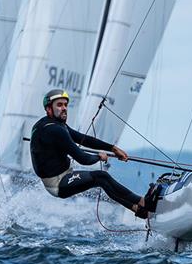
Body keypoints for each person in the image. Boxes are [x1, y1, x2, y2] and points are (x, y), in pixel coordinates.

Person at [30, 89, 159, 218]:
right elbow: (83, 159)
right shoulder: (54, 129)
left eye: (65, 104)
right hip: (58, 183)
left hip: (61, 177)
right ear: (48, 109)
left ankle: (138, 209)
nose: (64, 108)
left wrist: (112, 148)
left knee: (101, 180)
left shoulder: (54, 124)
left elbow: (83, 139)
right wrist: (99, 157)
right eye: (59, 105)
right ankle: (143, 202)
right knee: (101, 176)